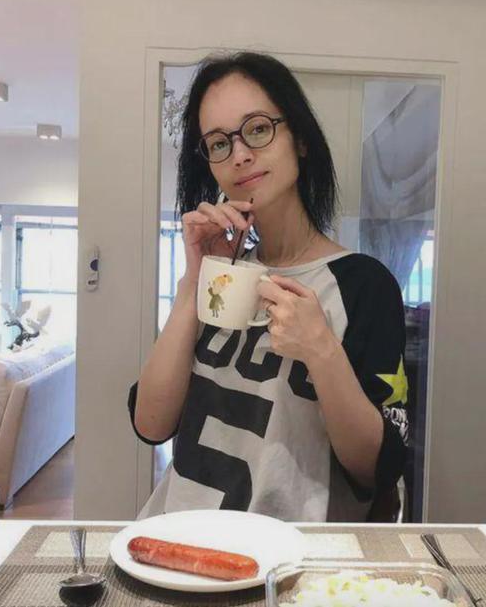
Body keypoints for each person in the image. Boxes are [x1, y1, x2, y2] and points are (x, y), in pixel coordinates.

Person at [128, 51, 408, 522]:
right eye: (219, 143)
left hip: (291, 554)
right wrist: (193, 282)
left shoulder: (362, 284)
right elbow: (151, 424)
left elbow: (376, 468)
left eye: (258, 129)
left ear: (300, 138)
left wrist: (321, 351)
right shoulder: (220, 277)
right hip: (177, 537)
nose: (239, 154)